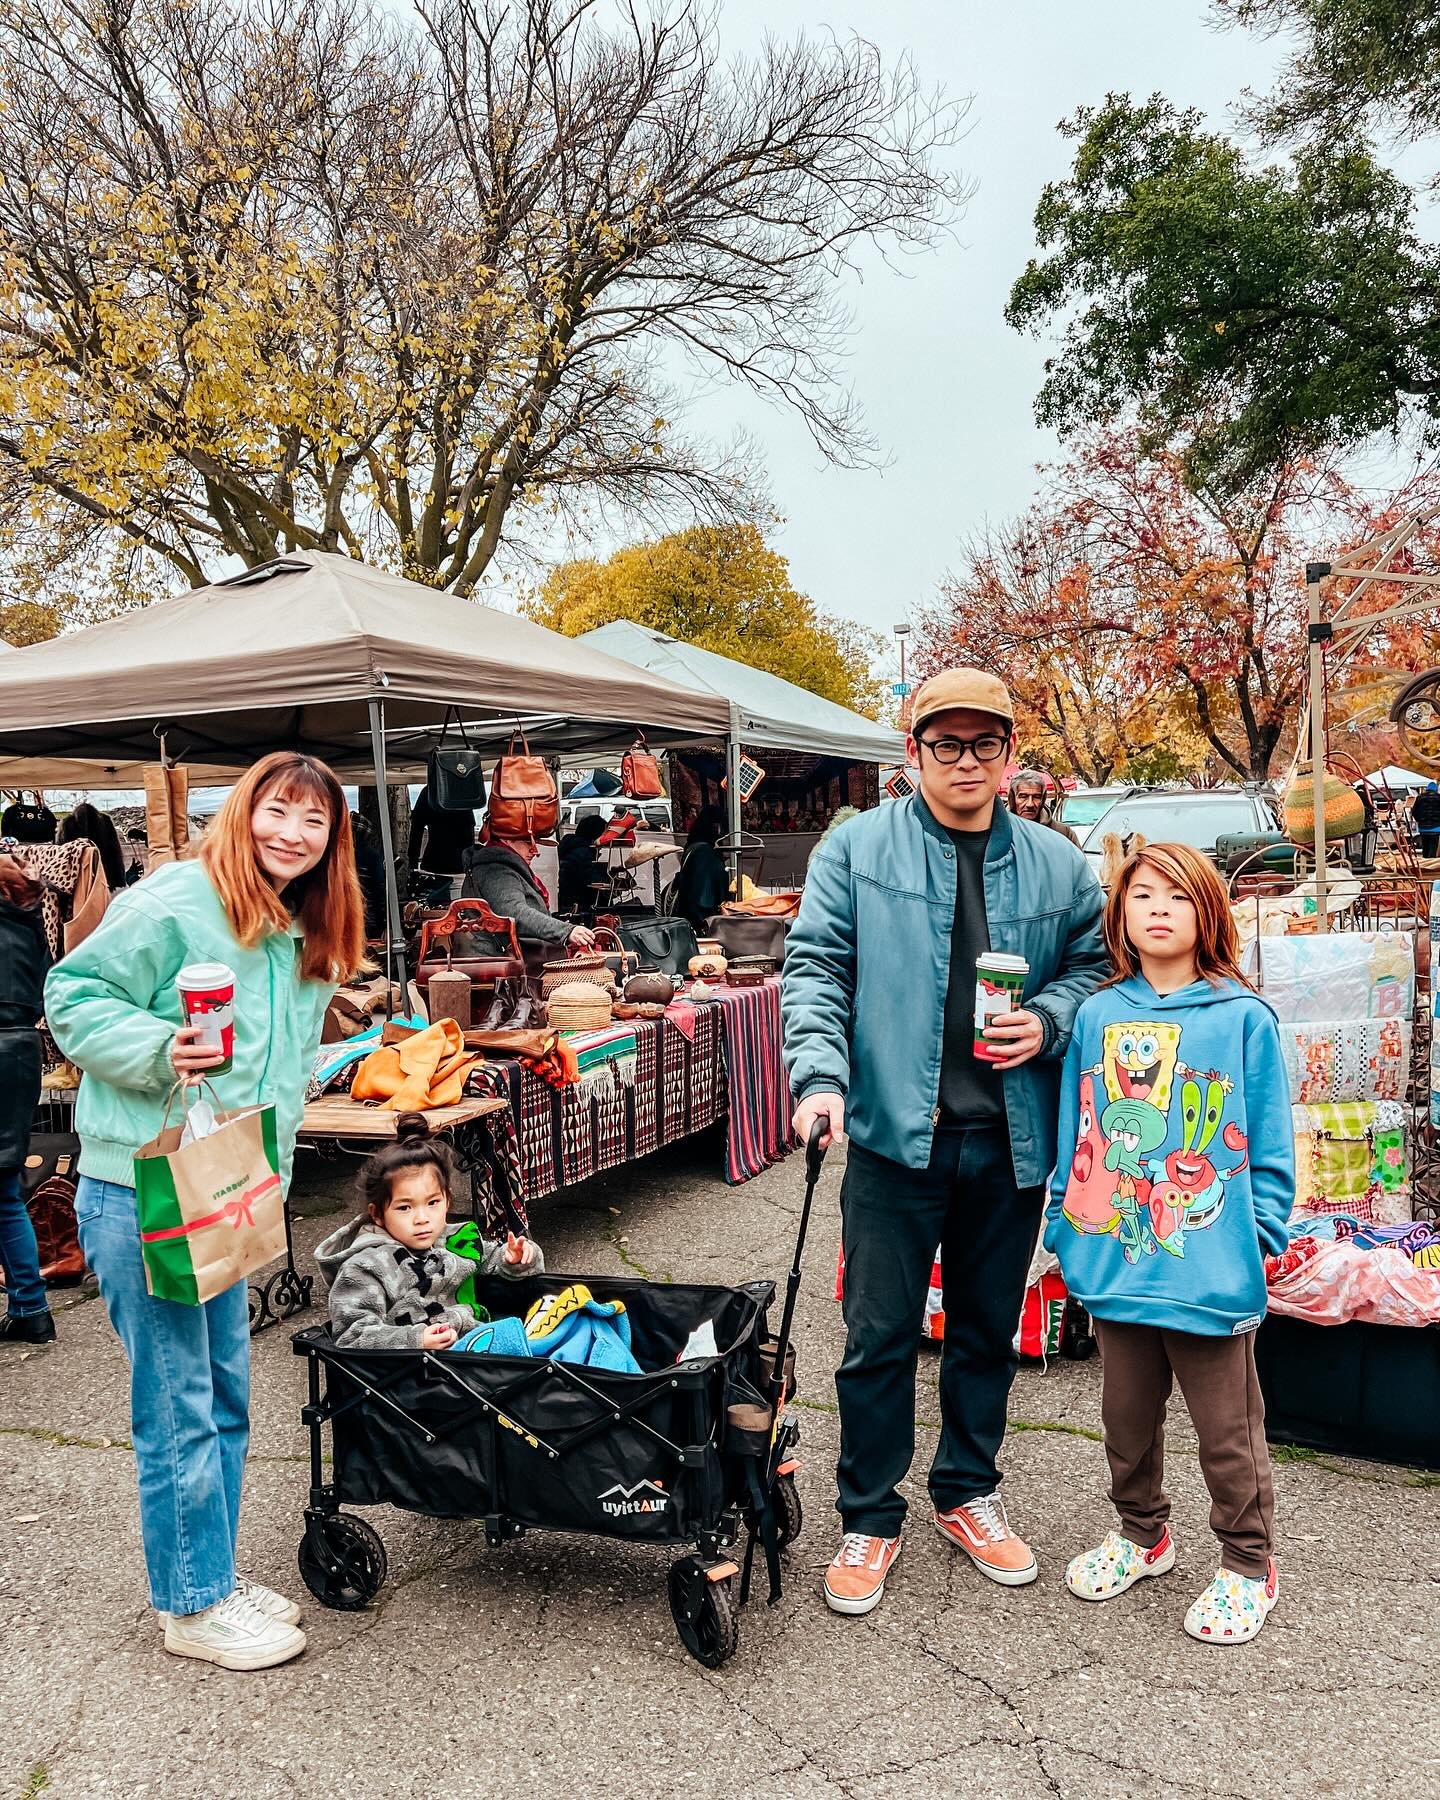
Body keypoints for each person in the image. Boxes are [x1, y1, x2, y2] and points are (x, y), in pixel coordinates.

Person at [782, 667, 1107, 1617]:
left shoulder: (1057, 863)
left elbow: (1092, 967)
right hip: (892, 1136)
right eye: (945, 744)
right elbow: (815, 968)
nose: (966, 762)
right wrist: (820, 1079)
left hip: (1010, 1139)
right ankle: (869, 1515)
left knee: (983, 1334)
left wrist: (1047, 1020)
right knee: (876, 1336)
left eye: (985, 744)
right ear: (912, 750)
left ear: (1010, 754)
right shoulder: (857, 848)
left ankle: (967, 1491)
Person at [45, 751, 365, 1672]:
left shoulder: (305, 923)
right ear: (242, 811)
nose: (290, 835)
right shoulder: (176, 899)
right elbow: (71, 993)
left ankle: (209, 1573)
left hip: (226, 1188)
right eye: (276, 811)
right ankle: (189, 1604)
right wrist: (159, 1046)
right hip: (141, 1188)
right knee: (179, 1399)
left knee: (223, 1388)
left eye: (313, 821)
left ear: (332, 838)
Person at [1044, 843, 1292, 1645]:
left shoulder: (1243, 1017)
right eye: (1140, 894)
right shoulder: (1096, 1015)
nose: (1157, 909)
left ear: (1206, 913)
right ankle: (1142, 1534)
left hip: (1212, 1274)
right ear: (1118, 913)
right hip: (1118, 1260)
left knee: (1228, 1433)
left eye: (1177, 896)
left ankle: (1249, 1566)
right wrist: (1063, 1226)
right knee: (1125, 1419)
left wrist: (1260, 1237)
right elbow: (1077, 1130)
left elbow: (1272, 1142)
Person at [316, 1112, 542, 1350]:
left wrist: (516, 1258)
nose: (422, 1219)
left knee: (569, 1316)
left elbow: (498, 1260)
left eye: (433, 1203)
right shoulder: (365, 1267)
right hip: (419, 1370)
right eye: (405, 1207)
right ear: (378, 1214)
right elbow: (351, 1336)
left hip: (477, 1342)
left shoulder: (457, 1239)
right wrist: (416, 1340)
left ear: (447, 1201)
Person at [0, 852, 53, 1344]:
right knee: (5, 1187)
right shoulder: (29, 919)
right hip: (20, 1047)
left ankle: (30, 1304)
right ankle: (29, 1303)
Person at [462, 826, 597, 954]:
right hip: (499, 962)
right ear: (506, 839)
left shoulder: (501, 866)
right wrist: (565, 931)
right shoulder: (496, 870)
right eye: (528, 842)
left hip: (507, 958)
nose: (534, 850)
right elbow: (515, 913)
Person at [407, 788, 477, 898]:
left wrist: (413, 863)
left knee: (434, 909)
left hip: (437, 864)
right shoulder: (464, 788)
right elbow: (470, 828)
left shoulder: (430, 790)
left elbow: (416, 827)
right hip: (460, 865)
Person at [673, 806, 729, 930]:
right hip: (702, 922)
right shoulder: (705, 853)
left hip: (689, 919)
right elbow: (704, 897)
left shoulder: (693, 847)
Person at [59, 801, 128, 892]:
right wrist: (119, 879)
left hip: (77, 874)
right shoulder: (105, 821)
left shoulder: (67, 823)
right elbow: (115, 851)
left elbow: (61, 852)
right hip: (105, 873)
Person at [1007, 769, 1080, 845]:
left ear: (1043, 799)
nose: (1030, 804)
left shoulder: (1063, 833)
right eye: (1023, 797)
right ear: (1012, 798)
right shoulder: (998, 832)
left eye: (1036, 797)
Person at [557, 813, 608, 914]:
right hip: (581, 908)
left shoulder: (574, 848)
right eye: (604, 835)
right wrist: (612, 878)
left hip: (570, 904)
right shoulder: (583, 853)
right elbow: (593, 881)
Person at [1411, 780, 1440, 858]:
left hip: (1423, 828)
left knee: (1425, 848)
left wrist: (1419, 821)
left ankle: (1424, 864)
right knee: (1433, 849)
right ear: (1436, 789)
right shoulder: (1439, 797)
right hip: (1436, 828)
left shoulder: (1419, 797)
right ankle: (1430, 866)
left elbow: (1414, 812)